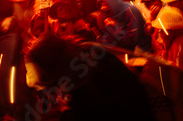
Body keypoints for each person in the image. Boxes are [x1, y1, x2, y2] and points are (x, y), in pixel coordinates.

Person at [25, 34, 155, 121]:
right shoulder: (88, 52)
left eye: (46, 77)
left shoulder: (85, 84)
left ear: (55, 68)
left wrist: (63, 111)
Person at [151, 6, 183, 76]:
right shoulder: (171, 41)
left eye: (161, 30)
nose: (160, 33)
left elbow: (177, 71)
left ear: (170, 31)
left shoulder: (180, 43)